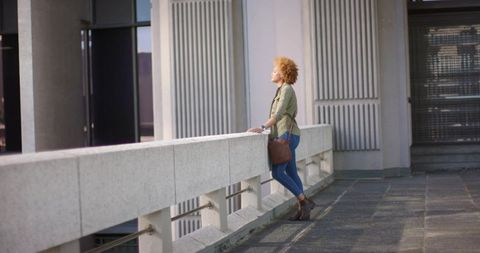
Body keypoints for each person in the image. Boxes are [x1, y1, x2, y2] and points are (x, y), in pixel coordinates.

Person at [248, 57, 315, 221]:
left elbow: (277, 115)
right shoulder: (281, 90)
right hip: (285, 136)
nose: (272, 73)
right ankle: (303, 208)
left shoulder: (286, 89)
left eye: (275, 71)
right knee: (291, 172)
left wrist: (262, 128)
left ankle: (304, 201)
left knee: (278, 173)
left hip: (287, 136)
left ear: (283, 74)